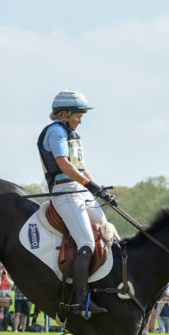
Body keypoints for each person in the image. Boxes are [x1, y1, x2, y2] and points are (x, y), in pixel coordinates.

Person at [36, 89, 114, 319]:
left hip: (79, 189)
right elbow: (63, 164)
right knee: (86, 242)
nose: (80, 120)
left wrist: (99, 190)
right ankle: (80, 301)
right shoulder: (56, 133)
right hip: (66, 192)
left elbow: (80, 168)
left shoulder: (72, 135)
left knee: (108, 233)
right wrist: (89, 185)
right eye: (78, 116)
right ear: (64, 113)